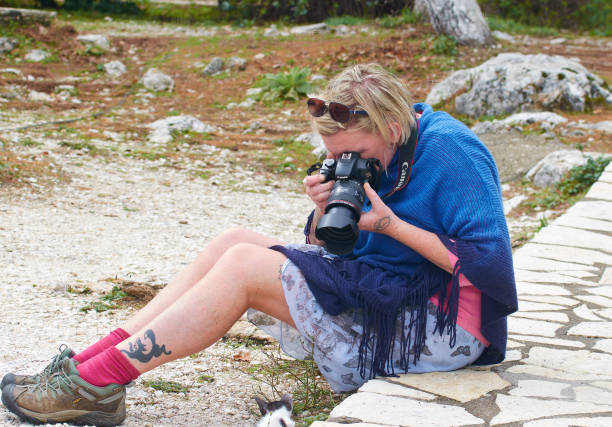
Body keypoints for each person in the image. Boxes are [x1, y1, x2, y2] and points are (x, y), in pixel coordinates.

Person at [1, 63, 517, 426]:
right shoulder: (379, 150)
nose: (350, 165)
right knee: (233, 241)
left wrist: (390, 226)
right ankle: (88, 369)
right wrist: (325, 210)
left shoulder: (452, 151)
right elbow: (335, 251)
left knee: (247, 267)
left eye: (356, 155)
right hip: (388, 293)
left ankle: (98, 383)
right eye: (336, 156)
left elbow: (490, 262)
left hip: (442, 328)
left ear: (395, 127)